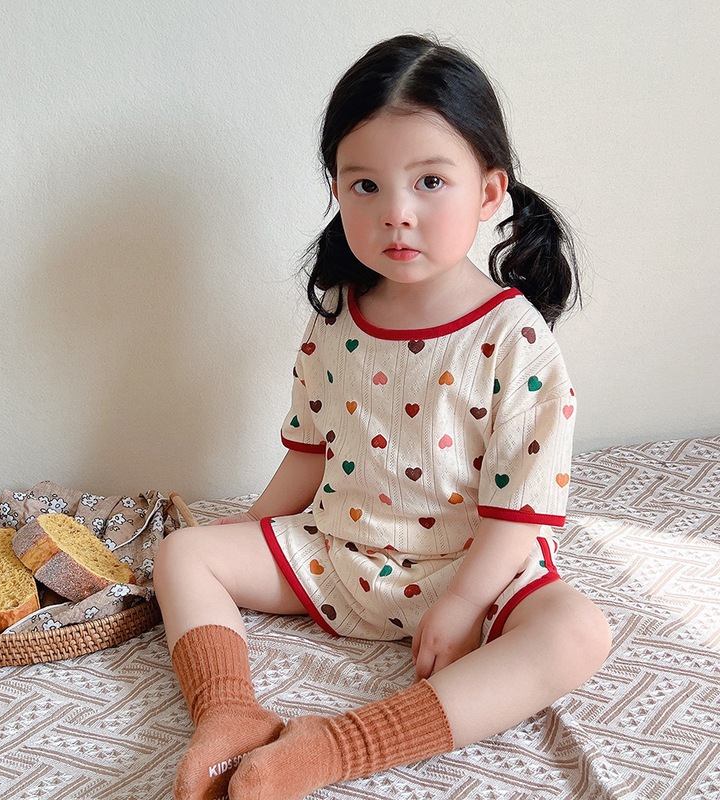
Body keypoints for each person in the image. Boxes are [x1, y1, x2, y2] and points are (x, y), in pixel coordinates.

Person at [154, 33, 612, 800]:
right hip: (338, 555)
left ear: (489, 192)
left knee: (578, 633)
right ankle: (229, 716)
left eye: (430, 181)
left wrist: (462, 605)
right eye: (365, 185)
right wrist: (247, 536)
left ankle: (335, 747)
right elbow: (309, 452)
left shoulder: (515, 339)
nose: (396, 213)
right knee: (181, 553)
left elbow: (520, 515)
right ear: (337, 189)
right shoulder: (338, 313)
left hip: (472, 570)